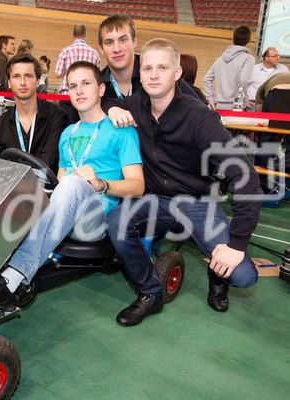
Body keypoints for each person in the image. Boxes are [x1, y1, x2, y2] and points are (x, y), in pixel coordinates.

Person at [107, 38, 262, 327]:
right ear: (140, 73)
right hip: (154, 199)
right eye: (148, 68)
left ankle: (218, 277)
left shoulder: (200, 118)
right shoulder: (135, 105)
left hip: (196, 203)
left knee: (243, 275)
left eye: (162, 68)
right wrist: (112, 107)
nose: (154, 74)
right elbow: (108, 98)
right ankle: (150, 294)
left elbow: (244, 176)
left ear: (177, 73)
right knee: (116, 221)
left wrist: (236, 244)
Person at [0, 60, 144, 313]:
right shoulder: (67, 134)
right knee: (28, 192)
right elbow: (58, 182)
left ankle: (14, 277)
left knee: (72, 185)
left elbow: (137, 186)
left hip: (98, 218)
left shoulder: (122, 130)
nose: (78, 91)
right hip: (65, 210)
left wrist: (101, 183)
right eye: (73, 86)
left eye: (85, 84)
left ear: (101, 90)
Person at [97, 14, 202, 128]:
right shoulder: (96, 85)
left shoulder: (159, 73)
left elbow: (201, 114)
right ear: (101, 48)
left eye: (123, 40)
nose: (116, 49)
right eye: (109, 42)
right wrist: (108, 107)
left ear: (134, 41)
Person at [0, 53, 69, 172]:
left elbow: (50, 159)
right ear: (9, 82)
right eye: (16, 76)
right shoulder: (0, 124)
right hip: (11, 187)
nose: (22, 82)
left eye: (28, 76)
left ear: (37, 81)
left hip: (46, 188)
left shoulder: (57, 116)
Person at [202, 25, 255, 110]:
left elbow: (206, 79)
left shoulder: (219, 59)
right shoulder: (248, 59)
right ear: (249, 40)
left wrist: (211, 100)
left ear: (233, 39)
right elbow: (244, 81)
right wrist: (240, 103)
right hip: (237, 106)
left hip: (219, 105)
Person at [55, 24, 101, 94]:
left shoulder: (65, 51)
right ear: (85, 36)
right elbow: (98, 77)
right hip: (87, 93)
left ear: (73, 35)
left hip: (68, 92)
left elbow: (58, 74)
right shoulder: (95, 54)